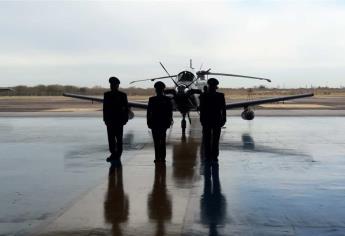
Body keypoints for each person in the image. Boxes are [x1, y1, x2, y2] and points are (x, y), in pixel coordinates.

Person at [199, 78, 226, 162]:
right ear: (216, 86)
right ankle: (214, 155)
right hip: (217, 120)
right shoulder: (220, 96)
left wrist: (202, 120)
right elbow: (223, 109)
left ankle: (207, 155)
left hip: (207, 121)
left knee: (207, 139)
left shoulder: (203, 96)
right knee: (215, 139)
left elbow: (201, 109)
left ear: (209, 86)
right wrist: (224, 119)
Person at [103, 76, 129, 163]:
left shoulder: (122, 95)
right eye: (111, 84)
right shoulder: (106, 95)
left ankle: (118, 155)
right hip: (110, 121)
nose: (111, 86)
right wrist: (105, 119)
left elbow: (126, 108)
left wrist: (125, 119)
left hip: (119, 121)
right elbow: (105, 108)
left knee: (119, 139)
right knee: (111, 139)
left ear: (117, 85)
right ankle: (113, 153)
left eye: (113, 84)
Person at [147, 81, 173, 163]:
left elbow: (148, 112)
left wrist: (149, 122)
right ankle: (161, 157)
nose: (158, 90)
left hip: (157, 123)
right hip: (160, 123)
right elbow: (169, 112)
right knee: (161, 141)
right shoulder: (167, 99)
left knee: (157, 141)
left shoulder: (152, 99)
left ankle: (159, 157)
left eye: (158, 88)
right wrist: (169, 121)